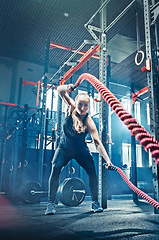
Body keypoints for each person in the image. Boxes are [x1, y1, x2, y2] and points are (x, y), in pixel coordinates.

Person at [45, 84, 113, 215]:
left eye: (86, 105)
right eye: (80, 104)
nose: (82, 108)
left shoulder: (89, 121)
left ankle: (95, 202)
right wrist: (68, 87)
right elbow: (59, 90)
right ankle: (51, 203)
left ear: (89, 106)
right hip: (64, 148)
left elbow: (97, 143)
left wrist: (108, 160)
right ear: (75, 104)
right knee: (55, 168)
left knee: (92, 171)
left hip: (81, 150)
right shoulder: (70, 109)